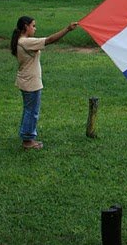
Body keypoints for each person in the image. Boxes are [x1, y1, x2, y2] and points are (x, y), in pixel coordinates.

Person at [10, 16, 78, 150]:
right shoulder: (25, 42)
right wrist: (67, 29)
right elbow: (50, 40)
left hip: (26, 80)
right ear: (25, 26)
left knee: (29, 110)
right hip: (31, 82)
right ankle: (28, 141)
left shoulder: (20, 41)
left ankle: (27, 136)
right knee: (32, 111)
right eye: (33, 26)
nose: (35, 28)